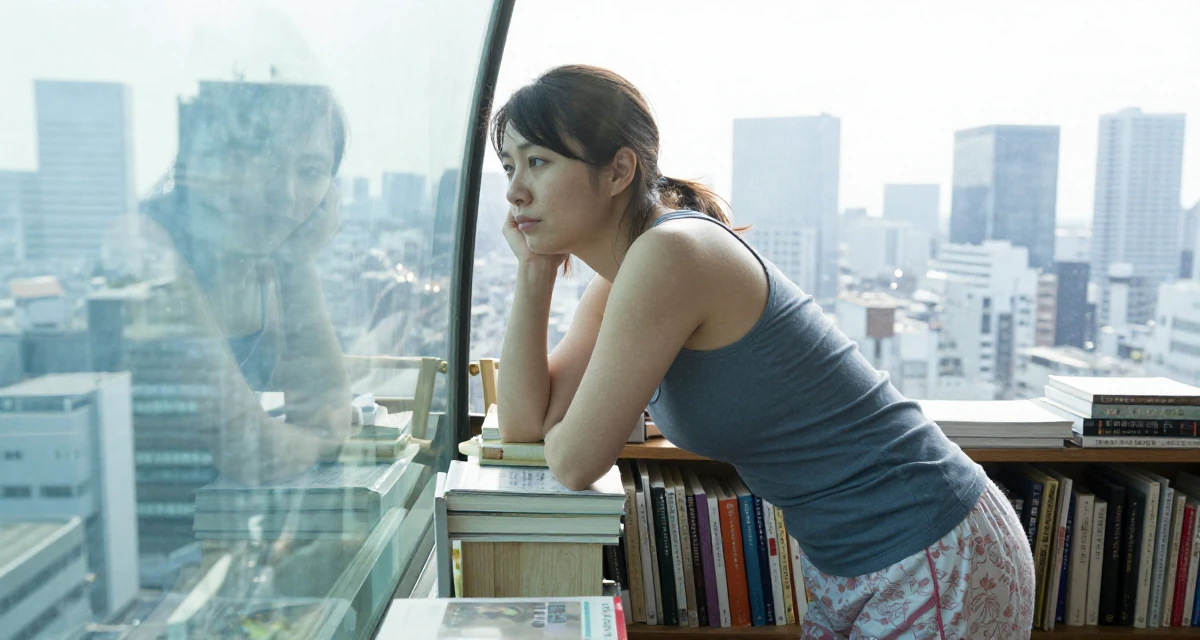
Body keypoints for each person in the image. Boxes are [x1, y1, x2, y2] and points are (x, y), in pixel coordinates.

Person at [492, 65, 1035, 639]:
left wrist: (564, 428)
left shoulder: (671, 254)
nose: (514, 190)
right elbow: (527, 427)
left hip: (928, 549)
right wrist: (534, 275)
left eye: (538, 161)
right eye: (509, 166)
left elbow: (575, 461)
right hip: (848, 564)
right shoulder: (624, 278)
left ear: (618, 171)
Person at [136, 80, 351, 486]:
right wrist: (316, 442)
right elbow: (254, 452)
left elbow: (325, 418)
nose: (285, 195)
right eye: (264, 163)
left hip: (216, 527)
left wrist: (297, 262)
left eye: (309, 172)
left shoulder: (255, 265)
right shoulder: (152, 250)